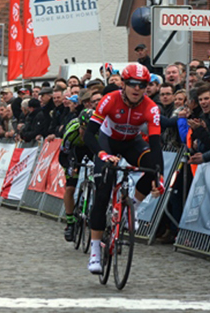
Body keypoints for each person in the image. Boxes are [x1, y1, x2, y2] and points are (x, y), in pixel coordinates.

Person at [83, 64, 164, 274]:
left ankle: (132, 207)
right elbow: (89, 134)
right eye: (132, 84)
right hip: (107, 142)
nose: (137, 89)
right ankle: (94, 250)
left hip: (132, 143)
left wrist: (159, 177)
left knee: (152, 169)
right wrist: (102, 154)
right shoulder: (109, 100)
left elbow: (156, 145)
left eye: (142, 85)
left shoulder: (151, 107)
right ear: (124, 85)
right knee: (102, 192)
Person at [58, 109, 93, 242]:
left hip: (91, 149)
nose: (84, 133)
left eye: (87, 130)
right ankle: (70, 223)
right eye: (82, 129)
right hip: (74, 152)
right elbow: (62, 156)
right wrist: (69, 168)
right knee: (70, 188)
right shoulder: (72, 133)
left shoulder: (98, 133)